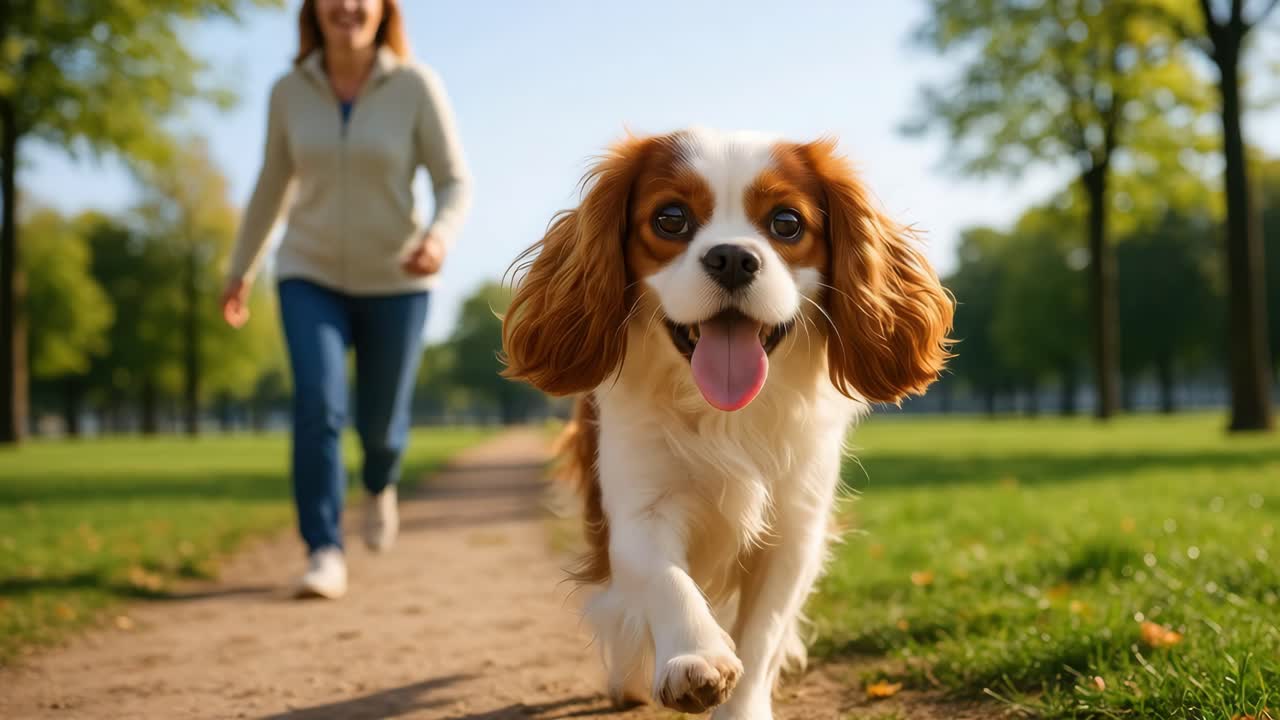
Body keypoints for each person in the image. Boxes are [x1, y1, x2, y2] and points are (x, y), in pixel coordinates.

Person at [221, 0, 471, 599]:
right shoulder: (289, 90)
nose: (347, 7)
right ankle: (323, 549)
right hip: (307, 273)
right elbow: (270, 184)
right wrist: (240, 269)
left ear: (384, 8)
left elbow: (453, 180)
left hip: (398, 278)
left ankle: (380, 483)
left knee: (381, 430)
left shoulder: (415, 84)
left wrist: (438, 239)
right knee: (317, 405)